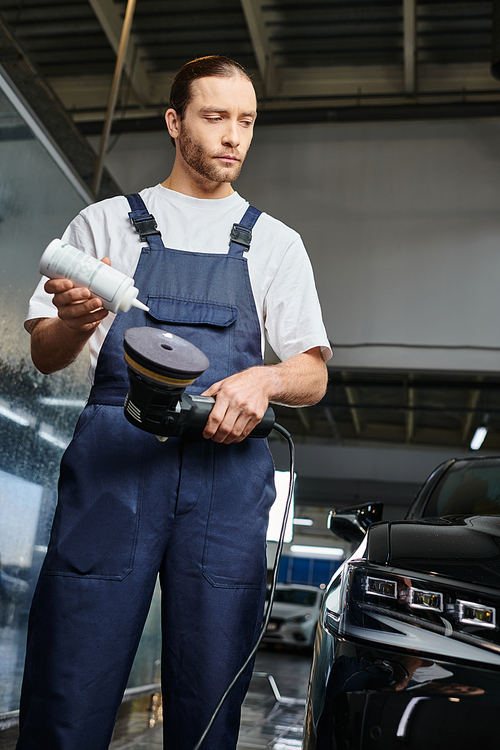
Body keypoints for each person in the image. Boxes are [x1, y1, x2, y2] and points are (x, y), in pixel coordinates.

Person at [18, 55, 331, 750]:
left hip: (226, 478)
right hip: (113, 469)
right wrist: (73, 319)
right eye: (215, 117)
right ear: (174, 121)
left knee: (211, 686)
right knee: (71, 672)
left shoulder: (276, 244)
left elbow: (311, 372)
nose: (233, 137)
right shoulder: (105, 225)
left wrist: (265, 381)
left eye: (246, 121)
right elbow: (45, 355)